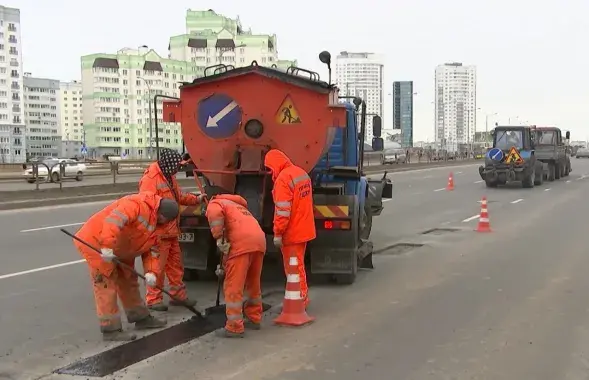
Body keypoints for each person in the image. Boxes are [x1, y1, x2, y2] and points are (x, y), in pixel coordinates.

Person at [73, 192, 180, 341]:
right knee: (106, 283)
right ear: (160, 213)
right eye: (165, 219)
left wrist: (152, 272)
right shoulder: (136, 205)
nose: (164, 222)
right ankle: (110, 329)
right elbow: (113, 222)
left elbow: (153, 251)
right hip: (97, 243)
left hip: (123, 248)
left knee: (129, 279)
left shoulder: (159, 225)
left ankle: (140, 317)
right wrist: (107, 246)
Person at [139, 148, 205, 311]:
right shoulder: (151, 179)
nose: (178, 169)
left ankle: (178, 296)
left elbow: (178, 196)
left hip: (171, 231)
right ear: (168, 164)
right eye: (177, 165)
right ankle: (153, 300)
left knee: (176, 266)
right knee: (156, 268)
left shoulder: (168, 176)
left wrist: (196, 199)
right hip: (159, 233)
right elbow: (147, 206)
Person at [205, 193, 266, 338]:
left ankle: (234, 326)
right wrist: (224, 266)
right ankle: (254, 317)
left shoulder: (215, 203)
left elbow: (215, 216)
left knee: (233, 286)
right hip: (259, 242)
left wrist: (218, 237)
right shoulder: (238, 207)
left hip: (241, 245)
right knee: (253, 283)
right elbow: (233, 238)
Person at [263, 149, 315, 308]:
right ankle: (301, 298)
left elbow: (282, 211)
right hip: (304, 229)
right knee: (298, 266)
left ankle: (298, 302)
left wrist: (278, 233)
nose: (269, 172)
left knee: (293, 268)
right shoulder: (301, 173)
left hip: (292, 232)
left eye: (269, 168)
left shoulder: (283, 180)